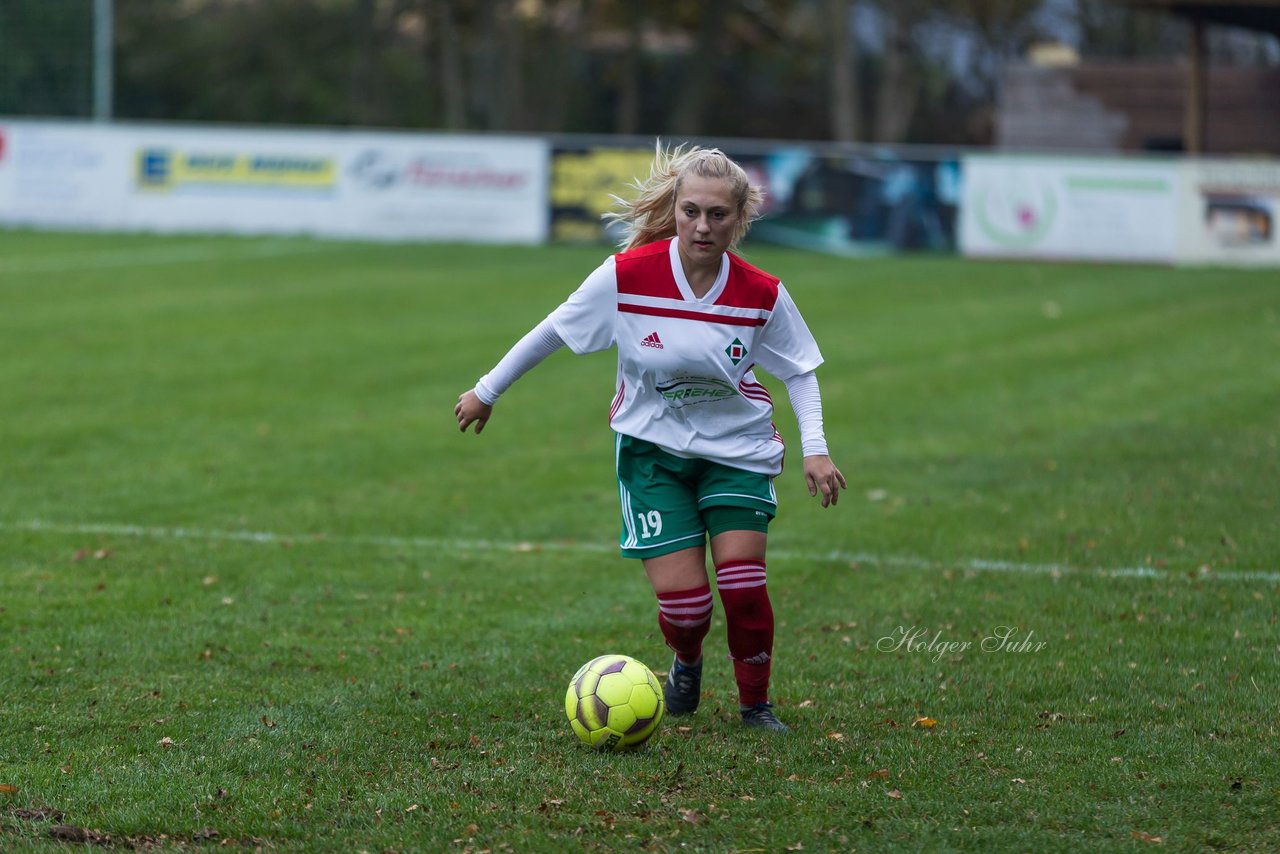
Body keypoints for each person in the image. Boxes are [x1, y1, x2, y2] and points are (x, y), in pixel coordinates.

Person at [455, 143, 845, 733]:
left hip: (737, 451)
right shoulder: (626, 275)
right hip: (651, 452)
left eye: (718, 215)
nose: (702, 226)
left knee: (742, 585)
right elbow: (555, 330)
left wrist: (814, 448)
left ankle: (754, 706)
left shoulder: (760, 291)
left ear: (739, 219)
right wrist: (488, 389)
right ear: (675, 209)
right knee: (686, 609)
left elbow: (799, 369)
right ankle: (686, 661)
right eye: (691, 211)